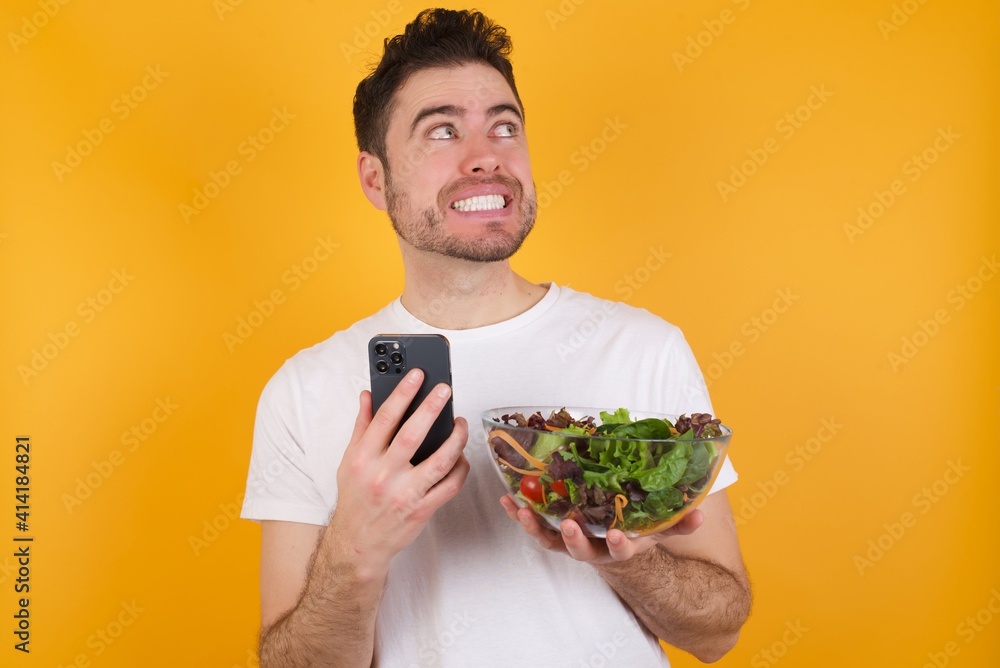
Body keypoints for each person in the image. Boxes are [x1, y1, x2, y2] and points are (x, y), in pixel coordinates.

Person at [240, 8, 751, 666]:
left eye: (504, 127)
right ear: (376, 179)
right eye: (442, 130)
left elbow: (719, 633)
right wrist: (351, 553)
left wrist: (627, 561)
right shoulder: (303, 391)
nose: (486, 157)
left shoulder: (640, 349)